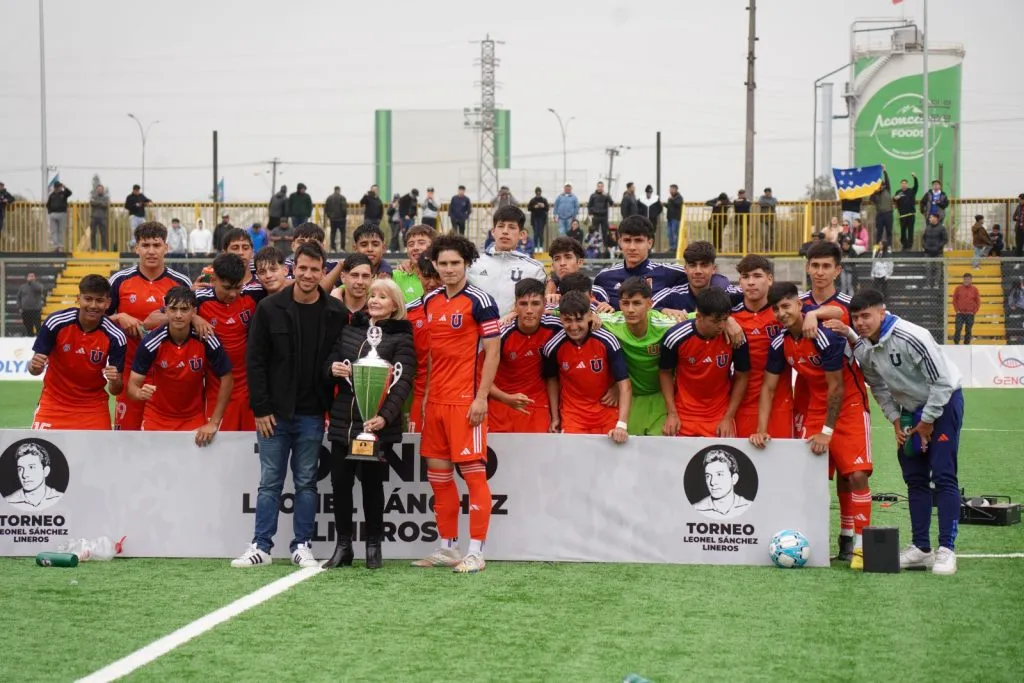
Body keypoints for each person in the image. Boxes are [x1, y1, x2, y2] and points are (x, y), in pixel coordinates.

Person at [234, 242, 347, 569]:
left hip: (312, 414)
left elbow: (339, 358)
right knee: (269, 481)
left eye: (315, 269)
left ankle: (302, 546)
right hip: (273, 414)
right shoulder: (269, 308)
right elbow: (254, 362)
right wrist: (261, 408)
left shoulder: (336, 313)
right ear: (291, 269)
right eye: (303, 268)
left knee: (306, 483)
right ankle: (261, 546)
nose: (308, 274)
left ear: (323, 271)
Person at [836, 288, 963, 575]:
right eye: (855, 317)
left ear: (882, 312)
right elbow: (878, 387)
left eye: (866, 316)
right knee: (914, 478)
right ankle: (921, 548)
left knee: (943, 475)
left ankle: (946, 550)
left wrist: (928, 421)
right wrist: (896, 420)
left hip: (942, 403)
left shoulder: (912, 336)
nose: (860, 323)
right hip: (908, 411)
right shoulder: (864, 348)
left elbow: (943, 382)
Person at [752, 282, 872, 570]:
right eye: (776, 309)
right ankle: (813, 543)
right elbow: (768, 388)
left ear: (799, 305)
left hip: (850, 406)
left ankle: (859, 545)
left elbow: (837, 389)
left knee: (854, 474)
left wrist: (827, 432)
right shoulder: (780, 342)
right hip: (816, 409)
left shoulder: (825, 335)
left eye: (787, 306)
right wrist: (761, 427)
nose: (782, 313)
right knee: (810, 479)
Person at [413, 235, 501, 574]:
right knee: (439, 477)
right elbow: (433, 355)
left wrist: (481, 397)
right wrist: (424, 400)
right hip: (435, 403)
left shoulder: (480, 300)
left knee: (474, 476)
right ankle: (447, 546)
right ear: (434, 265)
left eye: (456, 263)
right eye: (444, 263)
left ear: (466, 264)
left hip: (466, 403)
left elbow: (492, 351)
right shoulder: (430, 300)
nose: (449, 269)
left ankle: (476, 551)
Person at [324, 278, 416, 570]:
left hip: (377, 425)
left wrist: (384, 417)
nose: (375, 300)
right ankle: (343, 546)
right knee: (340, 484)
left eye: (383, 297)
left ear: (395, 305)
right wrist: (332, 369)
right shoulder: (350, 328)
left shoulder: (402, 338)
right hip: (344, 420)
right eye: (372, 295)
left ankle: (373, 546)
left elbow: (402, 384)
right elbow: (332, 360)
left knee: (373, 487)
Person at [107, 221, 194, 431]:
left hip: (170, 374)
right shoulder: (119, 280)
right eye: (145, 245)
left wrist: (165, 319)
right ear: (136, 248)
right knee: (128, 440)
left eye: (157, 245)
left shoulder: (181, 282)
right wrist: (120, 316)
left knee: (168, 442)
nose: (151, 251)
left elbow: (193, 320)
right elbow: (98, 319)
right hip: (130, 372)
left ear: (166, 247)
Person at [128, 286, 232, 445]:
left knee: (192, 469)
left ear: (194, 312)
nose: (178, 315)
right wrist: (139, 393)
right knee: (153, 469)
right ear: (166, 311)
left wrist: (213, 423)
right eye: (173, 309)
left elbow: (227, 379)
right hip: (156, 418)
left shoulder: (206, 338)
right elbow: (132, 386)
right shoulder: (151, 342)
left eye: (184, 309)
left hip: (193, 419)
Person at [28, 274, 126, 430]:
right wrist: (35, 366)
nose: (93, 305)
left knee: (98, 454)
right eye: (88, 299)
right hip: (53, 404)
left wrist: (114, 380)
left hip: (93, 408)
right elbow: (34, 369)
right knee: (44, 451)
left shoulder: (116, 336)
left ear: (108, 303)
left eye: (99, 300)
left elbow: (116, 389)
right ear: (78, 298)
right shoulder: (56, 322)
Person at [660, 288, 750, 437]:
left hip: (719, 415)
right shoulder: (675, 337)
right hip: (683, 414)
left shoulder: (736, 336)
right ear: (699, 316)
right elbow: (665, 373)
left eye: (725, 319)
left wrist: (728, 417)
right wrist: (672, 413)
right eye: (715, 321)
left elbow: (742, 376)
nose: (721, 326)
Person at [543, 290, 631, 441]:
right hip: (573, 417)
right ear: (561, 319)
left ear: (590, 315)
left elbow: (624, 384)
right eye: (568, 320)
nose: (574, 326)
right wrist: (555, 417)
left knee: (610, 463)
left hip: (607, 413)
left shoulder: (607, 340)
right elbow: (552, 381)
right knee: (575, 463)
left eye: (579, 319)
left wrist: (621, 425)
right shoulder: (552, 347)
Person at [599, 277, 677, 436]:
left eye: (636, 303)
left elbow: (699, 317)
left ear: (649, 304)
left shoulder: (666, 324)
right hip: (630, 398)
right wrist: (589, 316)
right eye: (625, 303)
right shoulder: (611, 322)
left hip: (661, 397)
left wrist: (729, 321)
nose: (630, 310)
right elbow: (570, 314)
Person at [196, 253, 264, 431]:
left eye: (238, 287)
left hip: (249, 388)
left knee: (250, 447)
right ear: (214, 280)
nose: (233, 293)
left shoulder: (255, 294)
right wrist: (193, 318)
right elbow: (154, 319)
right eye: (227, 288)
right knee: (216, 446)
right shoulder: (199, 298)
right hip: (216, 388)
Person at [489, 278, 562, 434]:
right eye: (523, 304)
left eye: (535, 304)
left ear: (544, 305)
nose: (529, 310)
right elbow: (481, 378)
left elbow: (581, 319)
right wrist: (505, 398)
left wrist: (594, 318)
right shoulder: (500, 333)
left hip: (537, 404)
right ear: (515, 306)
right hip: (502, 403)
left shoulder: (557, 326)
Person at [732, 255, 793, 439]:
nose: (751, 282)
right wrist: (726, 319)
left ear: (770, 279)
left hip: (780, 404)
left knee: (780, 464)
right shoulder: (730, 318)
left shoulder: (784, 314)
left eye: (757, 276)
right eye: (745, 277)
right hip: (743, 404)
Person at [593, 215, 686, 310]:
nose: (632, 247)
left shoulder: (670, 273)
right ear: (620, 242)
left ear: (650, 243)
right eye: (627, 240)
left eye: (638, 240)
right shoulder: (604, 278)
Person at [468, 206, 547, 316]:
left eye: (512, 227)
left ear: (521, 234)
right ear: (493, 232)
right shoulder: (473, 265)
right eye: (501, 226)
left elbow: (546, 306)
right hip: (479, 331)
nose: (505, 231)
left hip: (515, 331)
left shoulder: (534, 269)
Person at [404, 255, 442, 434]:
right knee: (417, 453)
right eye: (427, 276)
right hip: (419, 393)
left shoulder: (464, 307)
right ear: (418, 274)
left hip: (453, 392)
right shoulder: (407, 312)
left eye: (437, 276)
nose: (433, 283)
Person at [651, 241, 743, 315]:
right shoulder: (672, 295)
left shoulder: (728, 292)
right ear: (685, 269)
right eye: (692, 265)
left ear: (713, 269)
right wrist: (662, 310)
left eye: (704, 265)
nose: (698, 271)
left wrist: (728, 320)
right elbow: (647, 309)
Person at [3, 443, 64, 511]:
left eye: (31, 467)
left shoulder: (62, 499)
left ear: (46, 471)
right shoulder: (7, 502)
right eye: (20, 469)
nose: (24, 475)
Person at [694, 449, 752, 519]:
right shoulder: (696, 509)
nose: (712, 482)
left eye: (719, 474)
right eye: (708, 476)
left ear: (734, 479)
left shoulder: (749, 507)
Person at [392, 224, 435, 303]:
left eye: (421, 243)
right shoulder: (396, 276)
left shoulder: (442, 276)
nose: (415, 247)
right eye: (411, 244)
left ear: (433, 246)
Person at [545, 235, 586, 304]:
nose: (562, 263)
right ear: (552, 266)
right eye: (557, 259)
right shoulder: (543, 296)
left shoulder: (596, 292)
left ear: (580, 262)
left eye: (568, 257)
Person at [952, 273, 980, 345]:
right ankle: (956, 342)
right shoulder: (958, 288)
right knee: (958, 328)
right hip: (960, 313)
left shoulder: (975, 289)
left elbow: (978, 301)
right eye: (966, 279)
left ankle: (966, 344)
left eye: (968, 279)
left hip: (970, 313)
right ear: (963, 279)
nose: (967, 280)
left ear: (971, 280)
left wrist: (974, 311)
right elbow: (954, 300)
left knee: (968, 330)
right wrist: (957, 310)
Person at [894, 173, 919, 250]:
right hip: (902, 215)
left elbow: (916, 186)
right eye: (902, 184)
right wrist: (895, 198)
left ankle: (910, 245)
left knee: (910, 230)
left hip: (911, 214)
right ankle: (904, 245)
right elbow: (894, 202)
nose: (904, 185)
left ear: (907, 185)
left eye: (905, 184)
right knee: (903, 231)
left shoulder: (911, 191)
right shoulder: (898, 192)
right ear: (901, 185)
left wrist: (915, 177)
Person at [47, 182, 73, 251]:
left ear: (60, 187)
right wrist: (50, 213)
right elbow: (48, 205)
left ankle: (60, 246)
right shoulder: (51, 195)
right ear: (54, 187)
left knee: (60, 231)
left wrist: (64, 187)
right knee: (54, 231)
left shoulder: (63, 193)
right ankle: (56, 246)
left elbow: (70, 193)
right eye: (56, 187)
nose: (57, 188)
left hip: (62, 214)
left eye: (58, 187)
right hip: (53, 214)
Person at [871, 167, 894, 246]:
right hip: (880, 215)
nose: (881, 187)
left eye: (882, 185)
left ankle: (889, 247)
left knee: (889, 231)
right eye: (879, 185)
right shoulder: (875, 194)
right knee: (879, 232)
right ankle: (877, 246)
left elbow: (887, 181)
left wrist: (884, 171)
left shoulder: (887, 189)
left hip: (888, 213)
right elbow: (871, 199)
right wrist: (875, 192)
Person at [17, 272, 44, 336]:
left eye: (32, 276)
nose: (31, 278)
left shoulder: (39, 285)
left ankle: (39, 340)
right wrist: (19, 307)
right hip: (25, 310)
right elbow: (18, 297)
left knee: (38, 326)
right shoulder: (22, 287)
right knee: (28, 327)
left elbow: (39, 290)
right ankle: (30, 339)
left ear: (35, 278)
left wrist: (32, 283)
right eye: (29, 276)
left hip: (36, 310)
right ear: (27, 278)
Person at [587, 181, 613, 247]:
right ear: (597, 187)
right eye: (599, 186)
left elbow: (611, 203)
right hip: (595, 216)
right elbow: (589, 205)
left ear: (603, 187)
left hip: (604, 216)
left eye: (601, 186)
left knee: (605, 232)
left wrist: (607, 196)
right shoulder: (593, 195)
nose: (600, 188)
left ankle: (605, 248)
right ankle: (596, 247)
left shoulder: (606, 195)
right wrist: (590, 213)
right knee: (595, 232)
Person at [324, 186, 348, 251]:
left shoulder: (329, 198)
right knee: (343, 233)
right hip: (341, 219)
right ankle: (342, 248)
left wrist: (329, 216)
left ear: (334, 190)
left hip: (333, 219)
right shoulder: (342, 198)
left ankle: (333, 248)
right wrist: (344, 216)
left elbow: (326, 209)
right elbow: (344, 209)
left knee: (333, 233)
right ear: (339, 190)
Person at [89, 184, 110, 251]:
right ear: (97, 190)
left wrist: (97, 203)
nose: (100, 190)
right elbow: (92, 203)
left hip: (103, 217)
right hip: (94, 217)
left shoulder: (106, 197)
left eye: (101, 189)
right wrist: (101, 203)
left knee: (103, 233)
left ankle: (104, 248)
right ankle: (93, 248)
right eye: (98, 189)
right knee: (93, 233)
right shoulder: (93, 196)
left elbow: (106, 205)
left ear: (103, 190)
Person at [665, 184, 683, 251]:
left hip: (675, 218)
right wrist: (665, 205)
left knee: (674, 233)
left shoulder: (679, 197)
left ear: (675, 189)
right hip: (669, 218)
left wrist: (672, 200)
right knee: (669, 234)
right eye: (670, 189)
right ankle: (671, 247)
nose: (670, 190)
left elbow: (678, 204)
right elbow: (670, 206)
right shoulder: (671, 198)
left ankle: (675, 248)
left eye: (672, 189)